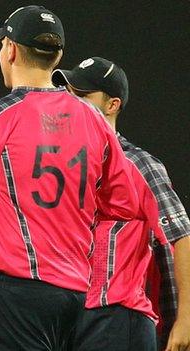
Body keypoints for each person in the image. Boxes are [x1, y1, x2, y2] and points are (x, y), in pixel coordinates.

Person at [0, 5, 140, 350]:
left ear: (10, 49)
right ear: (58, 56)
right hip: (75, 294)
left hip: (16, 289)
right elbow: (125, 203)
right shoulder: (93, 119)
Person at [52, 57, 190, 351]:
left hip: (115, 316)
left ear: (112, 104)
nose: (71, 101)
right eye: (68, 92)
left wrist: (186, 319)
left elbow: (182, 237)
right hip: (67, 317)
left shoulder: (138, 163)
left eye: (83, 94)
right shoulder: (56, 162)